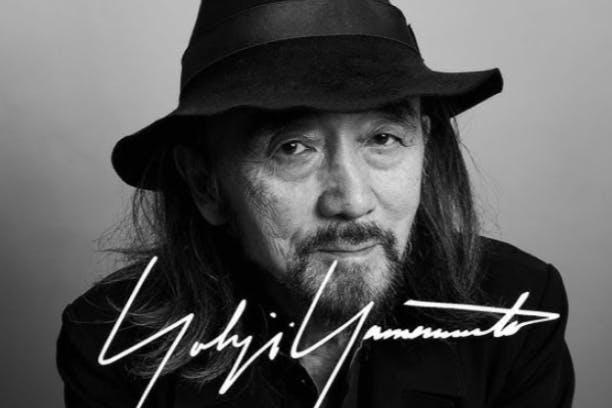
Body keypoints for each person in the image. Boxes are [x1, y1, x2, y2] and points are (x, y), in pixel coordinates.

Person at [56, 1, 575, 407]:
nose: (352, 201)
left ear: (424, 144)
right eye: (293, 148)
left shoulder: (517, 308)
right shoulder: (113, 346)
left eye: (384, 139)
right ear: (205, 184)